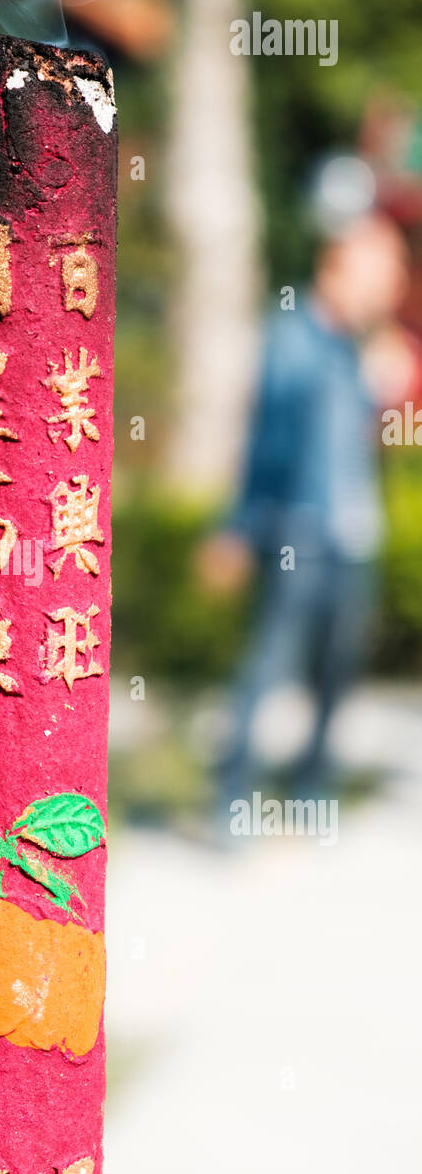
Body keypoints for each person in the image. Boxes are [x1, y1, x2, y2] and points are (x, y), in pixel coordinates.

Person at [199, 213, 410, 824]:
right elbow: (268, 442)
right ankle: (231, 799)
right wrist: (238, 527)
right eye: (380, 269)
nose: (388, 285)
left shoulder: (358, 347)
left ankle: (311, 793)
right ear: (337, 265)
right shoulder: (294, 338)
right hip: (299, 531)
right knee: (269, 667)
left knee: (337, 674)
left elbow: (377, 438)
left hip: (354, 537)